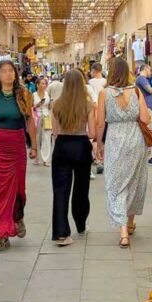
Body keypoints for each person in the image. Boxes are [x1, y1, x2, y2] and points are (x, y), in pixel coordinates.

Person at [94, 57, 151, 248]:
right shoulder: (135, 90)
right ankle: (130, 221)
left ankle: (123, 232)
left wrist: (98, 144)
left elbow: (100, 122)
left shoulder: (104, 93)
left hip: (115, 139)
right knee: (135, 179)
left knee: (115, 183)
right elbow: (145, 117)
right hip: (135, 138)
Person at [0, 60, 36, 251]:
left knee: (19, 189)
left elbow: (30, 122)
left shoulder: (24, 95)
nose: (8, 74)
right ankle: (1, 234)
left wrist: (34, 146)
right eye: (3, 71)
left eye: (11, 71)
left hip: (17, 146)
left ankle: (17, 217)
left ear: (15, 74)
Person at [50, 69, 98, 246]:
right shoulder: (88, 104)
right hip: (81, 146)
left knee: (60, 190)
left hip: (62, 146)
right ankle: (80, 223)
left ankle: (62, 233)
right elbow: (92, 132)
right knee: (81, 187)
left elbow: (55, 133)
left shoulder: (56, 104)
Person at [33, 76, 54, 166]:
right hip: (37, 116)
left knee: (46, 137)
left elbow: (49, 106)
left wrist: (51, 104)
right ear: (37, 85)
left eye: (45, 83)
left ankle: (46, 159)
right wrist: (38, 104)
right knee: (37, 137)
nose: (44, 85)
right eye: (42, 83)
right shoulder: (33, 95)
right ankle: (37, 158)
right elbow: (31, 107)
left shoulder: (47, 94)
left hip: (46, 116)